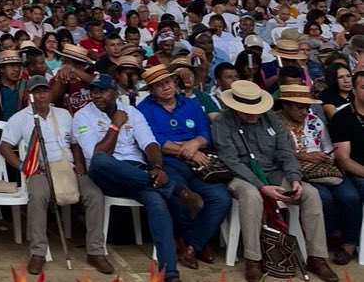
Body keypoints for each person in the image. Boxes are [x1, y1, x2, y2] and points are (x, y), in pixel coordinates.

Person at [211, 79, 338, 282]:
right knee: (252, 195)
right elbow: (232, 161)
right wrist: (262, 187)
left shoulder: (271, 120)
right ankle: (254, 259)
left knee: (310, 193)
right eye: (246, 110)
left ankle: (317, 257)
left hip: (273, 171)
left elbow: (286, 153)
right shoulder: (222, 123)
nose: (252, 113)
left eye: (255, 108)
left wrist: (294, 178)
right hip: (239, 175)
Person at [72, 75, 195, 282]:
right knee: (102, 160)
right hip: (106, 175)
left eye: (102, 91)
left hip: (137, 174)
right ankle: (172, 188)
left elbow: (150, 144)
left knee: (156, 201)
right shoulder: (83, 116)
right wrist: (115, 125)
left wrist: (157, 166)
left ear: (115, 93)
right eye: (93, 91)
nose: (97, 96)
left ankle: (170, 273)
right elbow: (98, 154)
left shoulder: (132, 112)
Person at [1, 75, 112, 275]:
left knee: (94, 195)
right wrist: (24, 167)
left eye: (44, 90)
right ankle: (38, 253)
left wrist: (78, 163)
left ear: (51, 92)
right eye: (36, 92)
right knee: (38, 196)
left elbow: (75, 143)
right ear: (29, 95)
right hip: (40, 169)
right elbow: (5, 147)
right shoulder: (19, 118)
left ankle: (95, 251)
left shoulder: (64, 114)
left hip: (67, 166)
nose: (41, 95)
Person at [137, 64, 232, 268]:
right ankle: (192, 240)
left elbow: (206, 132)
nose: (166, 87)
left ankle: (192, 243)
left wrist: (195, 144)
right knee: (180, 199)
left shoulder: (190, 104)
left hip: (200, 161)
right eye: (159, 85)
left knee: (221, 198)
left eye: (168, 82)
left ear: (174, 82)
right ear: (151, 90)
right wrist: (187, 150)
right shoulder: (144, 108)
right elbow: (153, 139)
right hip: (168, 162)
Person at [277, 82, 361, 265]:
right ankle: (332, 234)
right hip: (298, 171)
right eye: (299, 107)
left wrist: (327, 156)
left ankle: (349, 242)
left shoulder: (314, 119)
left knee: (351, 197)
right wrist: (305, 157)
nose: (304, 111)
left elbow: (329, 145)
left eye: (307, 107)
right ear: (285, 105)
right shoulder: (275, 123)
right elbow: (275, 154)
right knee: (324, 198)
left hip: (324, 168)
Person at [328, 70, 364, 262]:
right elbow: (344, 160)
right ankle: (349, 243)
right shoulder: (343, 118)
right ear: (355, 91)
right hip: (353, 172)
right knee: (354, 196)